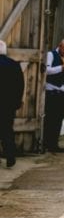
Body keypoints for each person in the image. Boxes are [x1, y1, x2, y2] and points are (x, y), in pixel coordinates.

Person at [43, 38, 64, 153]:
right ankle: (46, 143)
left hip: (63, 92)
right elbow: (47, 70)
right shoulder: (51, 55)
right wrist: (61, 68)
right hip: (51, 91)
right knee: (49, 119)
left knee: (59, 119)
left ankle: (54, 144)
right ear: (59, 46)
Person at [0, 40, 25, 168]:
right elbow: (20, 85)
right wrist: (17, 101)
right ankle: (10, 156)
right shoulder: (14, 65)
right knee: (7, 130)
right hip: (8, 104)